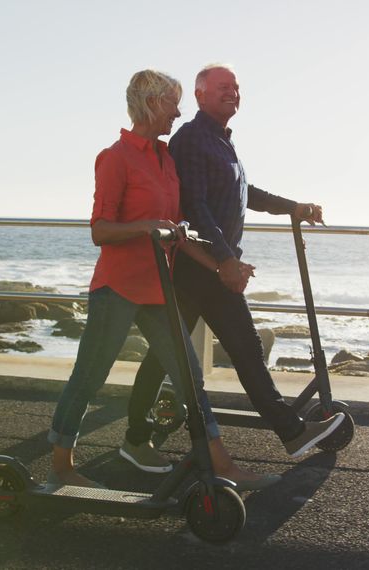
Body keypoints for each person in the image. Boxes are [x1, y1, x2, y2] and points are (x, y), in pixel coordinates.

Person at [47, 69, 271, 490]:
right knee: (90, 376)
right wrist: (149, 225)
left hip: (158, 288)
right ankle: (61, 464)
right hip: (117, 288)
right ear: (151, 104)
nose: (178, 112)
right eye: (173, 103)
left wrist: (222, 267)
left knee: (190, 375)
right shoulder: (115, 157)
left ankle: (221, 462)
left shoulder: (166, 159)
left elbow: (177, 232)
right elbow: (99, 230)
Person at [125, 64, 345, 464]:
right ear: (201, 95)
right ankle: (291, 432)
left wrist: (293, 207)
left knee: (171, 354)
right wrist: (225, 259)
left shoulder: (221, 142)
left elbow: (245, 193)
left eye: (237, 87)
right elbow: (195, 205)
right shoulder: (192, 139)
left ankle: (135, 438)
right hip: (200, 268)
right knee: (239, 348)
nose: (233, 92)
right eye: (223, 86)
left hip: (209, 266)